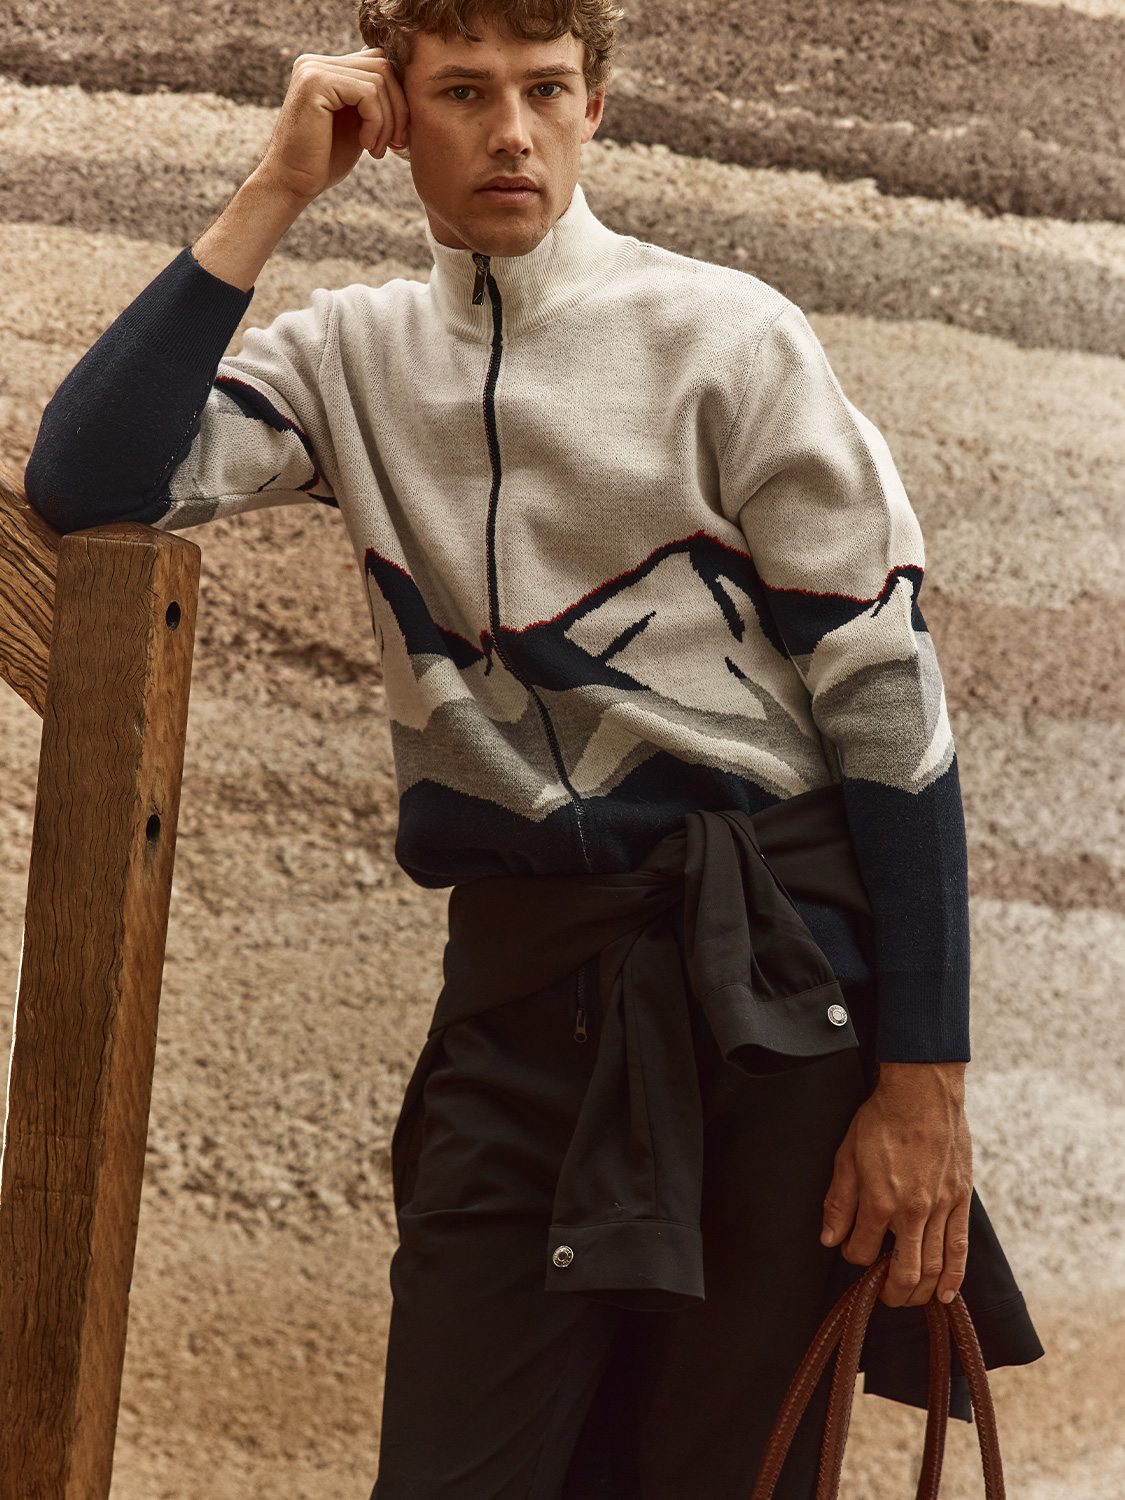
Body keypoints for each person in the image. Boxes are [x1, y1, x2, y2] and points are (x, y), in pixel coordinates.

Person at [24, 1, 1041, 1494]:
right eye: (463, 92)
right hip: (518, 1002)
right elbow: (86, 479)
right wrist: (277, 188)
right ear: (390, 116)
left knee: (726, 1477)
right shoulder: (347, 357)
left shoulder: (731, 338)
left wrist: (923, 1085)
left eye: (546, 89)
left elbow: (890, 710)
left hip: (773, 1004)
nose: (511, 132)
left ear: (594, 107)